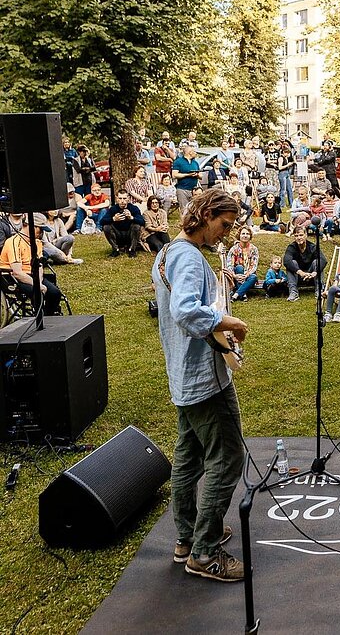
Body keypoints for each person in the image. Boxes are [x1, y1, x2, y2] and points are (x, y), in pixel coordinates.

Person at [150, 189, 247, 582]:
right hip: (205, 380)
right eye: (224, 224)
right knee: (228, 458)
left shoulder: (167, 253)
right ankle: (205, 552)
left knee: (189, 458)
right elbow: (187, 312)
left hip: (183, 375)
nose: (226, 233)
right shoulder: (188, 257)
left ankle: (188, 537)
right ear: (206, 215)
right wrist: (229, 322)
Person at [0, 213, 64, 315]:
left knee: (55, 293)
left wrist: (39, 281)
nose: (42, 233)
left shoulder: (37, 243)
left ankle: (48, 316)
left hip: (33, 275)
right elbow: (17, 273)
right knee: (37, 293)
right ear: (31, 226)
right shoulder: (13, 242)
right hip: (13, 278)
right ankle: (38, 316)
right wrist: (37, 285)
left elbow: (39, 266)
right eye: (40, 229)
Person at [283, 225, 327, 302]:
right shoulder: (291, 247)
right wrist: (300, 272)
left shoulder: (313, 247)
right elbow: (286, 261)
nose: (299, 238)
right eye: (296, 236)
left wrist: (315, 272)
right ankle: (293, 293)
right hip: (298, 276)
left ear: (306, 235)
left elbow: (323, 260)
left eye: (301, 235)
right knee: (292, 263)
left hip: (312, 276)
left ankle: (319, 291)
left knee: (317, 262)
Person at [101, 190, 145, 257]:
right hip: (117, 235)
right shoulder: (113, 209)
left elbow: (142, 222)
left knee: (137, 226)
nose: (122, 201)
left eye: (124, 198)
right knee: (106, 227)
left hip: (130, 235)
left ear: (128, 199)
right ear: (117, 199)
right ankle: (115, 250)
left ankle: (132, 250)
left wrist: (131, 217)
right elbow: (102, 221)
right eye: (120, 198)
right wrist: (113, 219)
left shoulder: (133, 208)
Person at [225, 227, 259, 301]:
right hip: (236, 275)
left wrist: (246, 275)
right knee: (239, 267)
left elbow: (254, 265)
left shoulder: (254, 249)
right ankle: (243, 294)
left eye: (247, 234)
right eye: (243, 233)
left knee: (254, 277)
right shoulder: (234, 249)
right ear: (239, 235)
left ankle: (237, 294)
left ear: (250, 236)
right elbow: (229, 264)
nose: (245, 236)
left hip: (248, 276)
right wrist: (234, 275)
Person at [172, 145, 202, 215]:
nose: (195, 153)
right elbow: (174, 175)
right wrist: (188, 175)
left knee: (195, 209)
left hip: (194, 190)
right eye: (194, 151)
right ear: (190, 152)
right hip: (182, 189)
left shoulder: (195, 163)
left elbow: (201, 176)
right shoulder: (178, 162)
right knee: (184, 210)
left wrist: (197, 175)